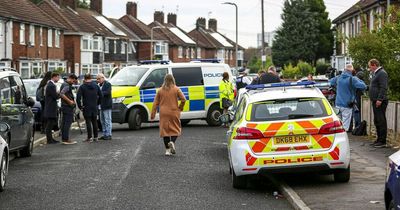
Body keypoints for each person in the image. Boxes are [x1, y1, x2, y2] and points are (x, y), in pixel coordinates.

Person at [151, 74, 186, 156]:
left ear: (164, 80)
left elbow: (155, 103)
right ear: (173, 80)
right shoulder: (176, 89)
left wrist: (153, 114)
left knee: (165, 131)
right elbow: (184, 99)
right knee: (176, 128)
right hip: (174, 112)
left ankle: (167, 150)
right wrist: (180, 107)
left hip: (163, 113)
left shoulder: (160, 90)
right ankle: (172, 142)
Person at [329, 64, 367, 132]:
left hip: (338, 104)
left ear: (344, 70)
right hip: (347, 105)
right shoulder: (353, 79)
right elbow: (363, 86)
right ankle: (343, 139)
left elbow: (330, 82)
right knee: (345, 127)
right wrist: (358, 79)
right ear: (352, 71)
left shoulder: (338, 77)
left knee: (338, 124)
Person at [368, 59, 388, 148]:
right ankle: (379, 139)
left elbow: (383, 87)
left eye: (370, 66)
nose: (369, 68)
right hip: (375, 100)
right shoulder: (376, 73)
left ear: (374, 65)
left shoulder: (382, 73)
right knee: (376, 120)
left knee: (381, 120)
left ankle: (382, 141)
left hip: (380, 101)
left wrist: (379, 99)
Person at [77, 74, 103, 142]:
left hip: (86, 106)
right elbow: (101, 96)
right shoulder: (96, 86)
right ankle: (96, 137)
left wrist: (80, 107)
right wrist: (98, 103)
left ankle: (89, 137)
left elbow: (78, 98)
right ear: (90, 78)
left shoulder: (82, 87)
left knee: (88, 122)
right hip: (94, 106)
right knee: (95, 122)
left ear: (85, 79)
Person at [59, 74, 78, 145]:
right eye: (73, 81)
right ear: (70, 78)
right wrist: (70, 101)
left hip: (64, 106)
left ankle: (64, 138)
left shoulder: (64, 84)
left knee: (64, 123)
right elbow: (62, 94)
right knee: (67, 123)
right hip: (67, 106)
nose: (73, 82)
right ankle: (66, 139)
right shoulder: (66, 85)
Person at [44, 72, 61, 144]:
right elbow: (56, 96)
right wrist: (60, 93)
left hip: (50, 107)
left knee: (51, 124)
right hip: (50, 107)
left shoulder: (50, 85)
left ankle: (50, 139)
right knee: (49, 124)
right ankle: (49, 140)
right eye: (58, 77)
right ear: (54, 77)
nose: (58, 79)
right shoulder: (51, 85)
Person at [97, 73, 112, 140]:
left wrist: (99, 93)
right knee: (102, 121)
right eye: (97, 79)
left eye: (99, 78)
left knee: (107, 120)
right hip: (100, 105)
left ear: (103, 78)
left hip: (107, 105)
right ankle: (104, 134)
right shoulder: (98, 85)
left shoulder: (108, 84)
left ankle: (108, 134)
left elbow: (107, 92)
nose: (98, 80)